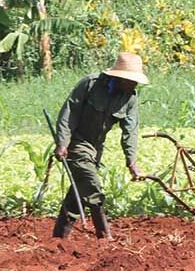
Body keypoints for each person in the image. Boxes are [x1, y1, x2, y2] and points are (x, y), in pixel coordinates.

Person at [51, 52, 147, 239]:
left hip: (96, 148)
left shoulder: (130, 98)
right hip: (76, 143)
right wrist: (62, 143)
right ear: (119, 77)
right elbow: (69, 111)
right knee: (92, 186)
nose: (134, 84)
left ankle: (58, 239)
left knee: (78, 191)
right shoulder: (91, 84)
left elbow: (131, 131)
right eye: (131, 80)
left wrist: (132, 162)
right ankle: (104, 235)